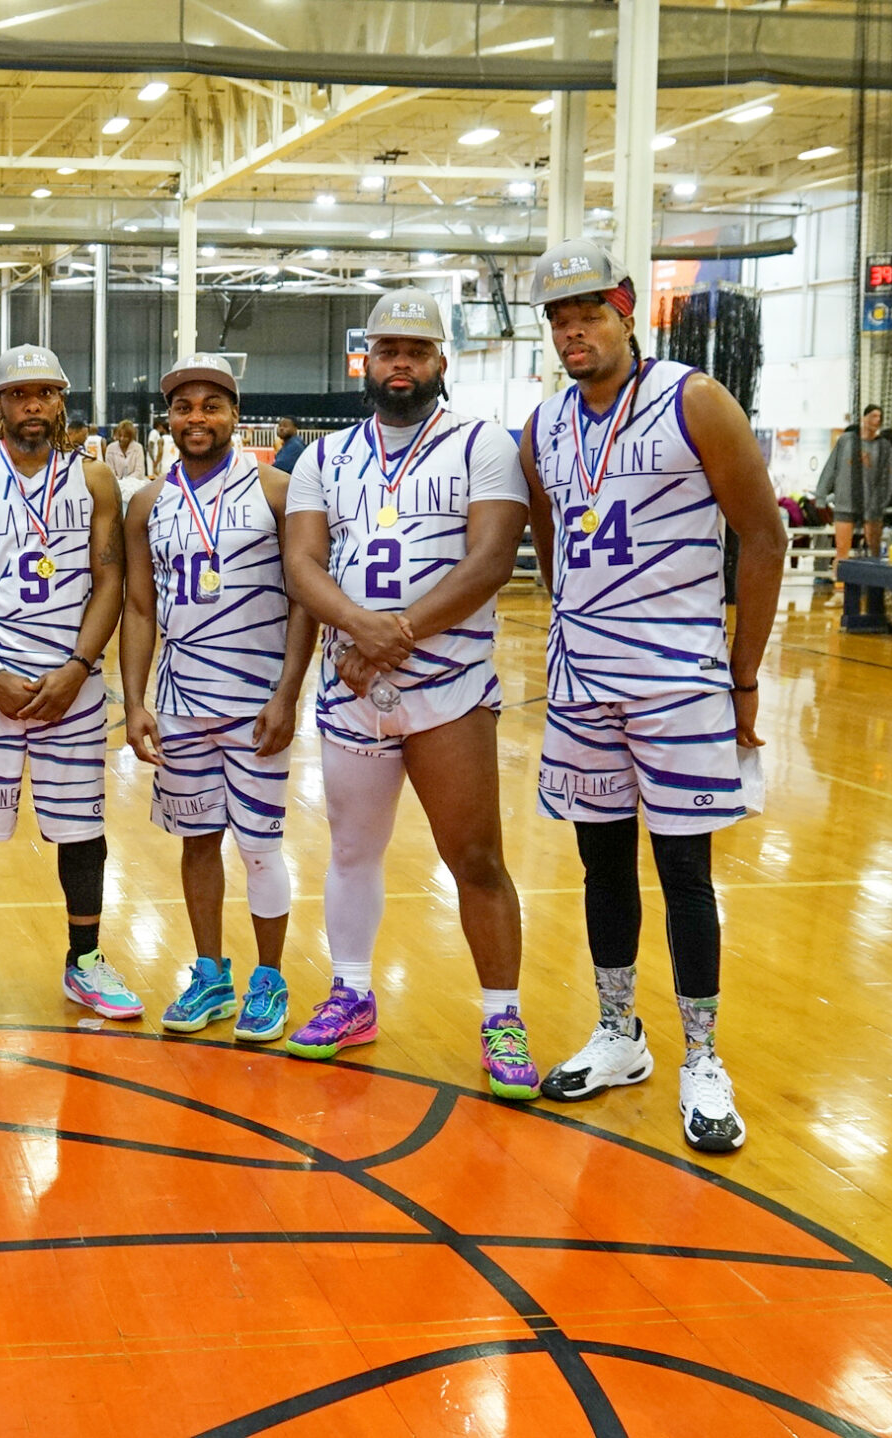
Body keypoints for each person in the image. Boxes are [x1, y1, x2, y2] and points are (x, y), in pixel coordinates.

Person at [518, 240, 788, 1154]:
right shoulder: (543, 425)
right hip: (584, 680)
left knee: (684, 876)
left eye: (588, 311)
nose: (573, 330)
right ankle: (618, 1033)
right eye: (558, 317)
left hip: (679, 684)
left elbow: (762, 535)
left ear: (627, 310)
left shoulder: (694, 398)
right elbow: (553, 540)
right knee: (601, 868)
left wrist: (744, 676)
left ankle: (703, 1056)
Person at [277, 290, 538, 1093]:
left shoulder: (482, 444)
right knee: (353, 851)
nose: (400, 363)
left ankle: (503, 1018)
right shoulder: (323, 456)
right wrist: (360, 627)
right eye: (387, 349)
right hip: (352, 685)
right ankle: (352, 992)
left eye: (416, 351)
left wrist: (395, 635)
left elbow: (491, 559)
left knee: (477, 858)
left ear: (439, 365)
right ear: (367, 360)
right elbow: (302, 564)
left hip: (448, 686)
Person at [0, 344, 129, 1021]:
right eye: (18, 394)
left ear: (63, 400)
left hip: (74, 683)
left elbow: (111, 582)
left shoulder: (95, 481)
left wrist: (78, 667)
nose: (32, 405)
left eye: (45, 393)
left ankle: (86, 962)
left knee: (81, 827)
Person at [121, 353, 311, 1042]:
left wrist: (289, 694)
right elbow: (138, 608)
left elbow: (303, 603)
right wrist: (134, 700)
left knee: (260, 846)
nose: (196, 418)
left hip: (255, 699)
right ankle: (211, 974)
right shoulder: (146, 501)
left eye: (210, 406)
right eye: (183, 407)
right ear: (168, 419)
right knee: (197, 841)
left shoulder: (278, 491)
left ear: (235, 413)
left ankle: (270, 978)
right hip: (178, 702)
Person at [813, 405, 892, 569]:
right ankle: (839, 589)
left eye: (880, 417)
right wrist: (820, 496)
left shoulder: (884, 447)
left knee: (874, 553)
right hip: (845, 504)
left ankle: (871, 590)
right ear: (863, 419)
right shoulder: (846, 440)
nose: (877, 420)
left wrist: (879, 504)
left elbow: (888, 481)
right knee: (842, 553)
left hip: (872, 508)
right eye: (873, 416)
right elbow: (831, 468)